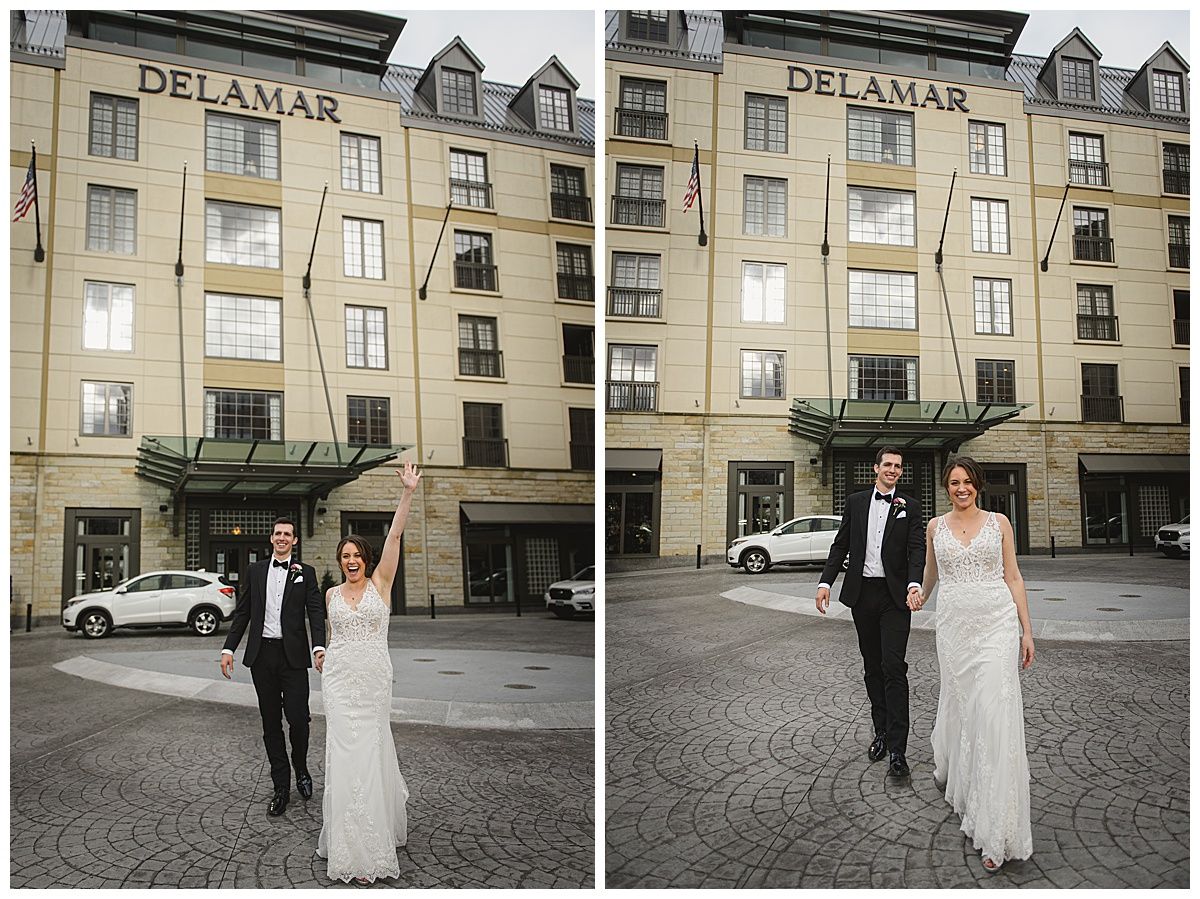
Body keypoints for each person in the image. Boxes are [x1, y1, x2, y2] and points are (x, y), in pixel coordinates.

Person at [916, 455, 1034, 872]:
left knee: (994, 716)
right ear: (945, 487)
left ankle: (995, 829)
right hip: (953, 631)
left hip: (996, 625)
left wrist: (1026, 629)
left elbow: (1014, 576)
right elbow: (931, 575)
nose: (960, 488)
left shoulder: (1000, 523)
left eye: (967, 481)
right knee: (964, 710)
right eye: (953, 482)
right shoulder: (934, 527)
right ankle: (964, 784)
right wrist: (919, 596)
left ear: (978, 485)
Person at [317, 461, 421, 884]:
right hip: (339, 683)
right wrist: (323, 653)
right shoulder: (330, 595)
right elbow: (334, 634)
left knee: (372, 752)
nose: (351, 561)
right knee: (344, 758)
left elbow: (394, 534)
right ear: (340, 562)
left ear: (367, 559)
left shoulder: (381, 584)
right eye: (345, 557)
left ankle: (374, 841)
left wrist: (408, 492)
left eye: (357, 555)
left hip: (375, 681)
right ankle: (347, 844)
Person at [816, 446, 925, 778]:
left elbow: (917, 548)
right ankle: (881, 732)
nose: (893, 470)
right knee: (872, 668)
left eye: (898, 466)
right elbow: (841, 544)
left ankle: (898, 750)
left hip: (895, 598)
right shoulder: (856, 502)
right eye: (887, 464)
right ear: (876, 468)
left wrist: (913, 584)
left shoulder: (911, 506)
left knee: (894, 667)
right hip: (862, 595)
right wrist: (825, 583)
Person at [220, 517, 327, 817]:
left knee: (299, 719)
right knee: (270, 723)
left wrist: (319, 646)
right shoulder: (255, 571)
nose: (282, 538)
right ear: (271, 538)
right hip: (262, 657)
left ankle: (301, 766)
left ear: (295, 540)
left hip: (293, 658)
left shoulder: (305, 573)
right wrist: (228, 648)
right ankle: (281, 786)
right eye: (278, 533)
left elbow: (316, 612)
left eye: (288, 534)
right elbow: (242, 613)